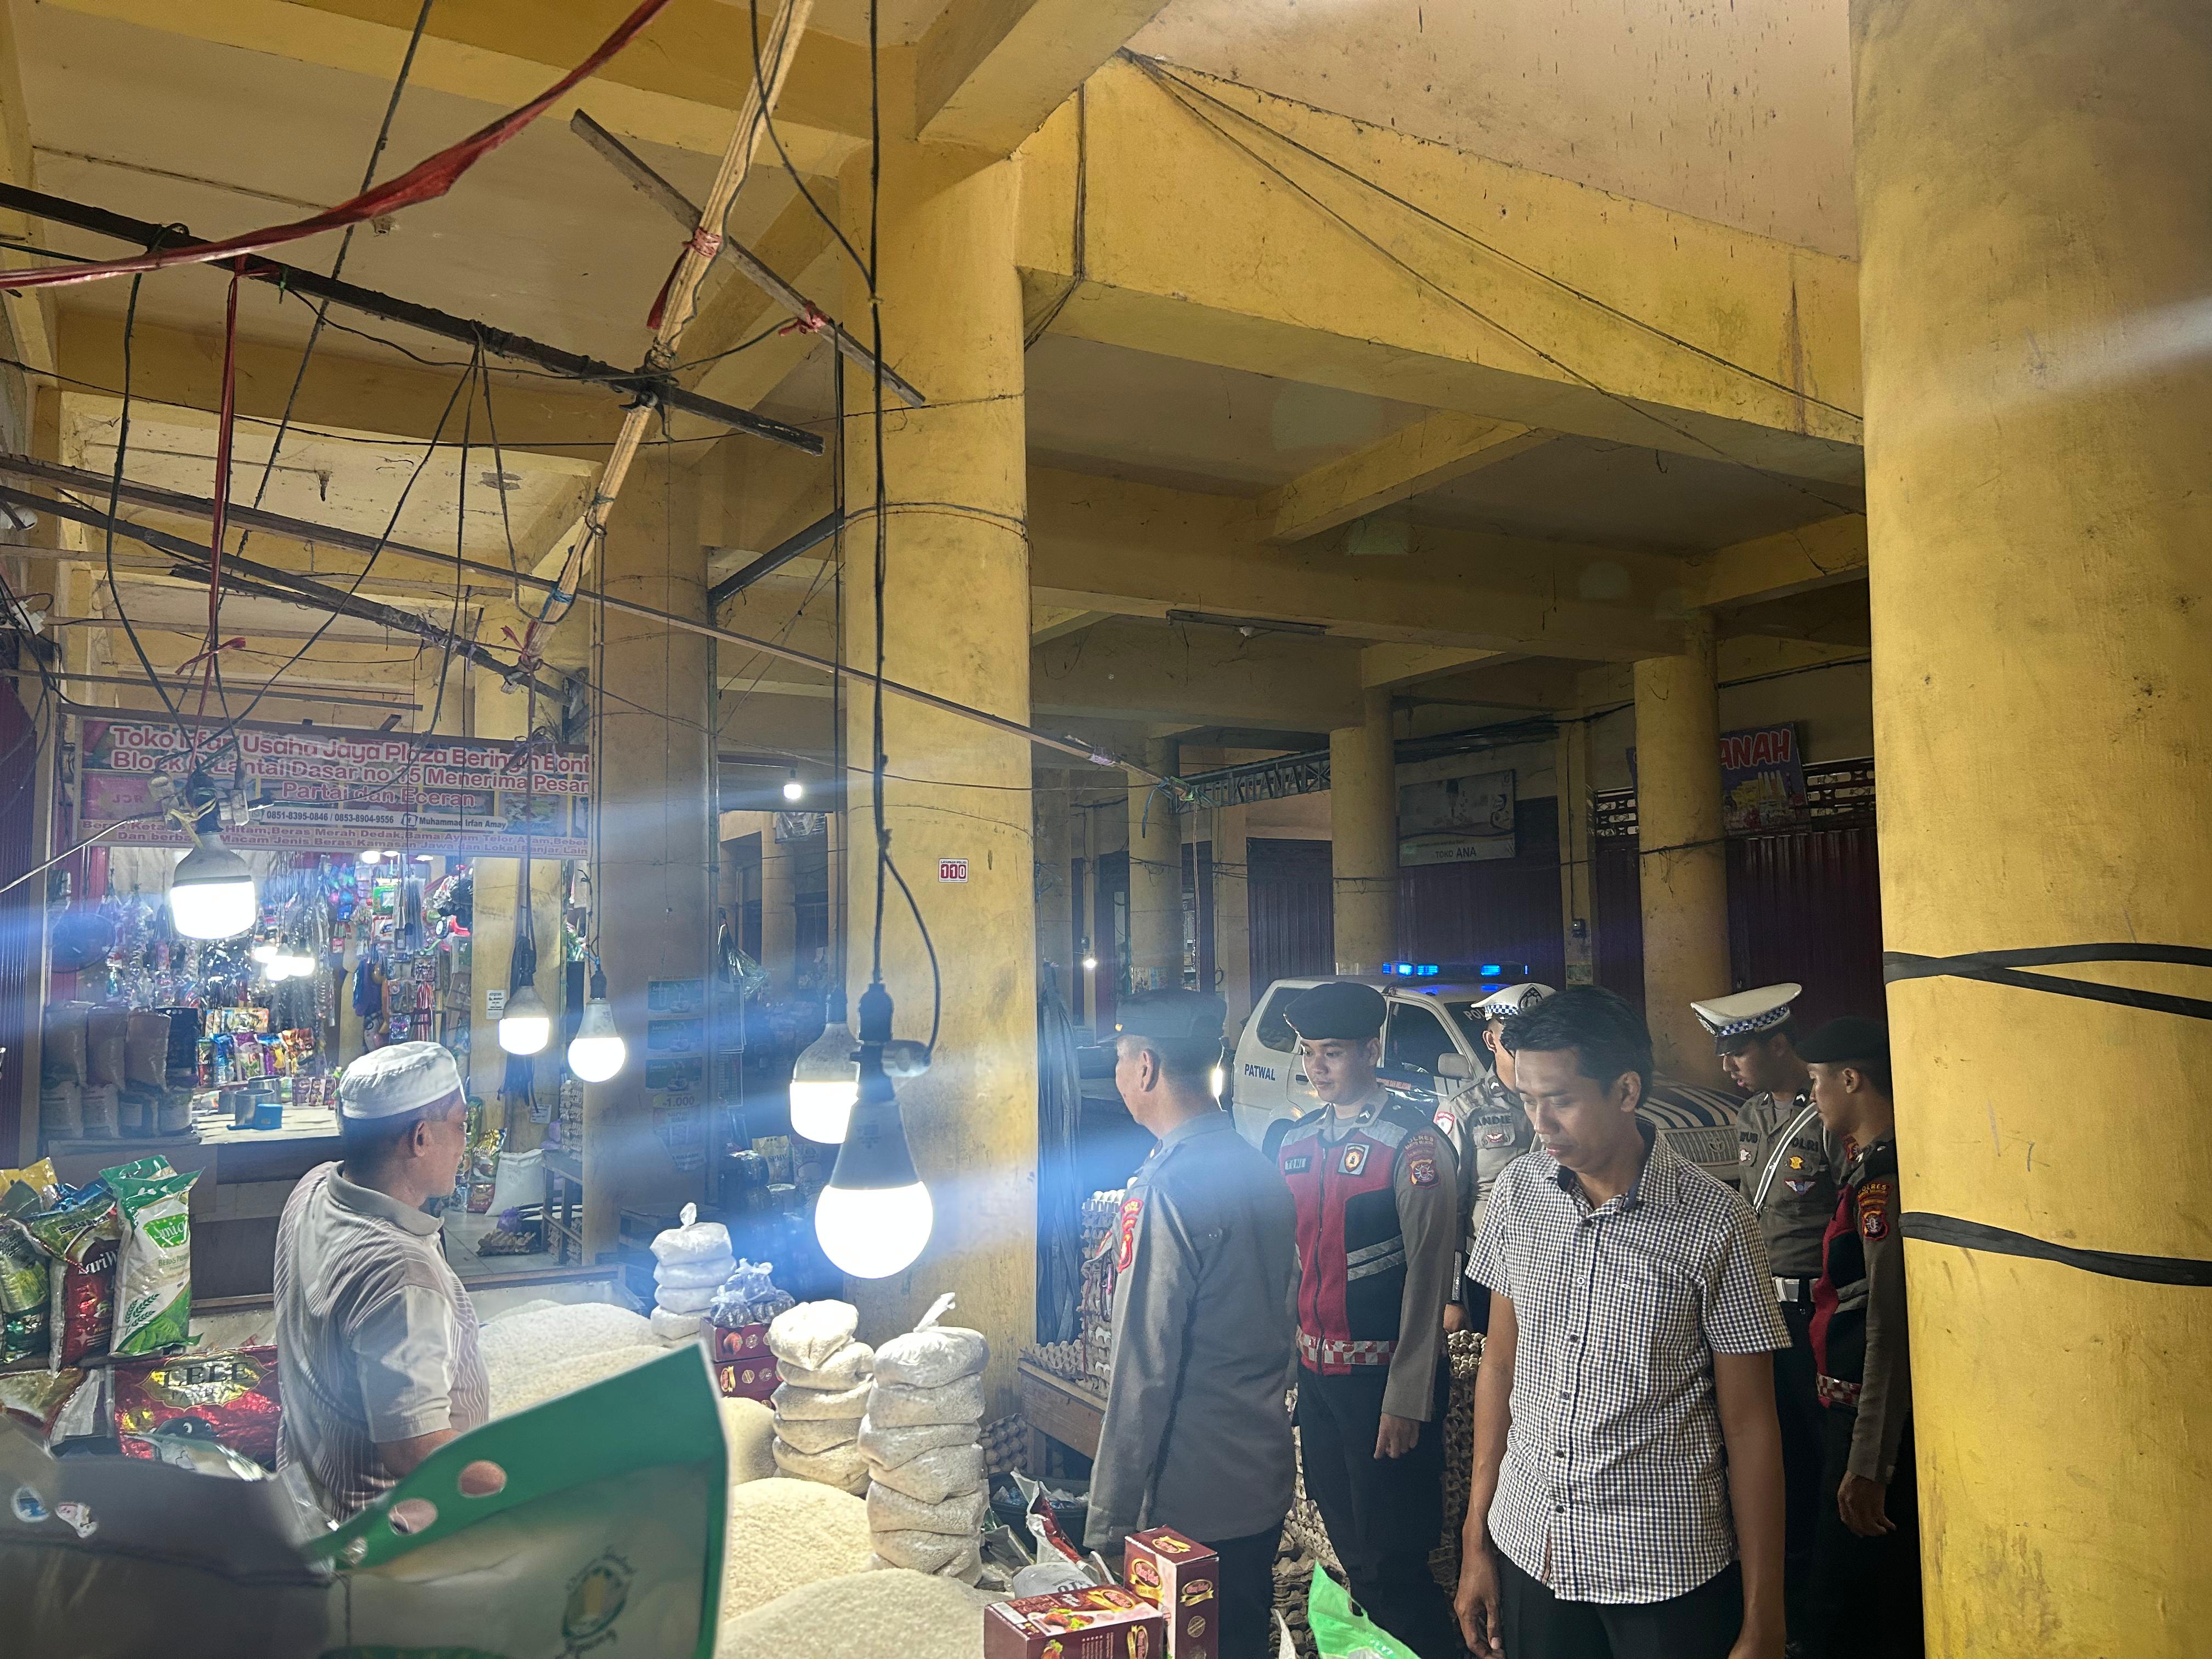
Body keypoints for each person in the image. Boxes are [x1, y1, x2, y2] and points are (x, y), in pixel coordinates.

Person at [1456, 987, 1789, 1659]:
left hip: (1662, 1567)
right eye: (1528, 1100)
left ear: (1627, 1091)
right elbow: (1500, 1364)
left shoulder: (1716, 1223)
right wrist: (1476, 1539)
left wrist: (1764, 1617)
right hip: (1532, 1544)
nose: (1540, 1123)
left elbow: (1751, 1427)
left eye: (1561, 1100)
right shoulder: (1518, 1194)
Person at [1087, 991, 1300, 1659]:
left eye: (1120, 1060)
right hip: (1260, 1478)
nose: (1119, 1075)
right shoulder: (1261, 1170)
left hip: (1190, 1502)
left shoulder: (1165, 1190)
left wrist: (1109, 1523)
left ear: (1145, 1067)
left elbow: (1142, 1367)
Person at [1276, 981, 1466, 1659]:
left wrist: (1408, 1399)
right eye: (1308, 1052)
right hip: (1319, 1383)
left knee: (1394, 1563)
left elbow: (1429, 1279)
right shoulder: (1295, 1143)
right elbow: (1292, 1269)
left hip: (1384, 1389)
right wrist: (1287, 1374)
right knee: (1352, 1551)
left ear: (1371, 1049)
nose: (1316, 1066)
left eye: (1332, 1052)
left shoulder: (1413, 1147)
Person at [275, 1041, 489, 1525]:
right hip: (381, 1539)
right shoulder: (400, 1275)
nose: (465, 1144)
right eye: (460, 1125)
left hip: (307, 1493)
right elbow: (415, 1451)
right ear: (420, 1139)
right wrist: (528, 1480)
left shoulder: (313, 1188)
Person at [1690, 983, 1843, 1634]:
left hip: (1812, 1313)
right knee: (1769, 1450)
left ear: (1780, 1044)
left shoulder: (1827, 1112)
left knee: (1819, 1454)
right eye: (1724, 1053)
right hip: (1760, 1310)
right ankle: (1782, 1584)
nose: (1728, 1066)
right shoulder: (1750, 1115)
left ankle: (1823, 1602)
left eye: (1739, 1052)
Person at [1799, 1018, 1920, 1659]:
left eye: (1818, 1081)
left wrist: (1870, 1461)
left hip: (1867, 1421)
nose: (1814, 1096)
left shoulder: (1882, 1184)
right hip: (1845, 1408)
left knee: (1849, 1603)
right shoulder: (1865, 1169)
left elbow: (1886, 1326)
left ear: (1850, 1080)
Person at [1439, 983, 1554, 1334]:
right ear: (1491, 1041)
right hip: (1490, 1266)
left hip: (1555, 1263)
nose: (1527, 1047)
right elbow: (1450, 1207)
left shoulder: (1568, 1103)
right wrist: (1453, 1295)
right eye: (1513, 1038)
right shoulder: (1465, 1109)